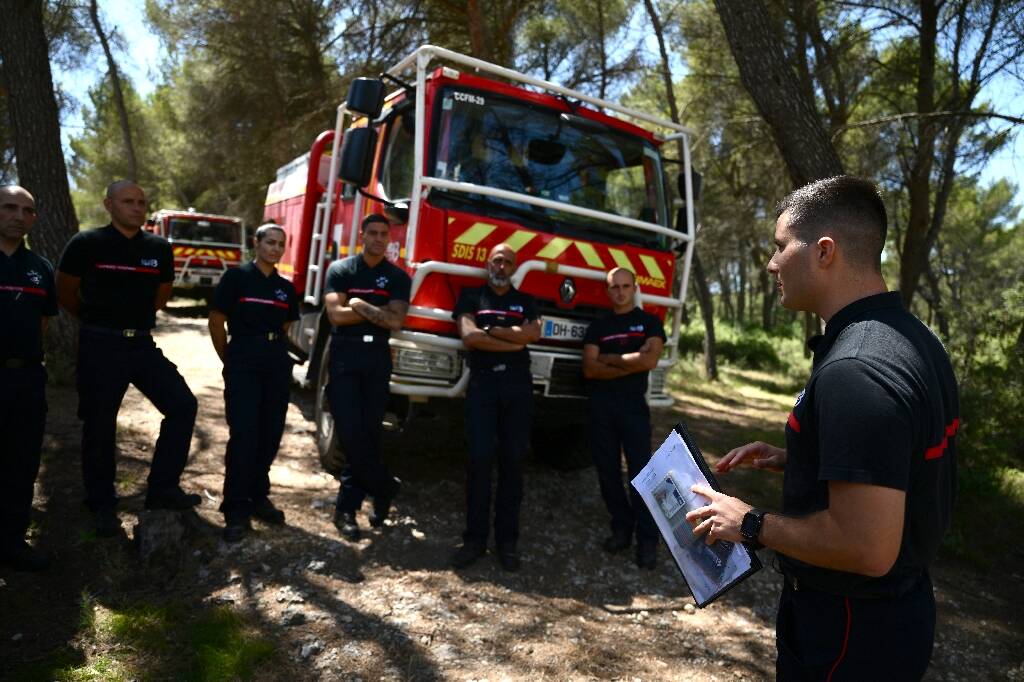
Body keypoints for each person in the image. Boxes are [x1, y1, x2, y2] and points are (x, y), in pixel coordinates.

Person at [684, 176, 959, 681]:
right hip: (892, 617)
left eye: (780, 246)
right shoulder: (911, 337)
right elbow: (902, 452)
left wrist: (749, 523)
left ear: (824, 251)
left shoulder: (856, 368)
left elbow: (866, 548)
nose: (770, 264)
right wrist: (806, 452)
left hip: (849, 632)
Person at [57, 181, 199, 537]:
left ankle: (163, 489)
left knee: (182, 405)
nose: (137, 207)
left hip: (141, 345)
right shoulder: (87, 244)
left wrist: (130, 320)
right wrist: (98, 322)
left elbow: (160, 296)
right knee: (100, 424)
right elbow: (65, 291)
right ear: (108, 204)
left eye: (141, 201)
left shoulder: (158, 248)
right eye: (128, 201)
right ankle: (102, 503)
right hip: (99, 345)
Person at [449, 243, 540, 572]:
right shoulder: (472, 297)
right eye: (497, 260)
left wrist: (494, 332)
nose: (502, 266)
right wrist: (513, 338)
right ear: (488, 263)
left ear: (514, 268)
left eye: (508, 262)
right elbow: (470, 337)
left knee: (513, 465)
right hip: (483, 385)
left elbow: (534, 333)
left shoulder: (526, 301)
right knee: (479, 461)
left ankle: (507, 544)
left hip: (518, 387)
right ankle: (474, 540)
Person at [208, 224, 299, 543]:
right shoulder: (236, 278)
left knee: (271, 433)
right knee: (245, 434)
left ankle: (258, 498)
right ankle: (235, 508)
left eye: (280, 244)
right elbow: (217, 321)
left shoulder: (285, 288)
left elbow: (285, 324)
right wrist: (229, 360)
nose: (275, 248)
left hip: (275, 360)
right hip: (243, 358)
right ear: (256, 243)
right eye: (269, 242)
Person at [323, 214, 410, 541]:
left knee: (370, 431)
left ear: (389, 238)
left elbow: (395, 321)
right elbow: (335, 315)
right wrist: (375, 311)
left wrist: (357, 303)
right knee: (349, 430)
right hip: (345, 355)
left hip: (377, 359)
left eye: (383, 234)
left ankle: (346, 509)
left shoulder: (397, 277)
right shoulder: (341, 270)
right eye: (372, 232)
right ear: (362, 235)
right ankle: (383, 485)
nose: (377, 238)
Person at [582, 267, 665, 569]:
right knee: (607, 473)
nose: (619, 291)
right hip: (600, 409)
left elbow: (651, 359)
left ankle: (647, 541)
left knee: (641, 476)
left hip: (633, 410)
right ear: (608, 291)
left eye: (625, 286)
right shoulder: (598, 326)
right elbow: (589, 369)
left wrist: (609, 358)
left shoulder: (649, 323)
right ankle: (621, 528)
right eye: (614, 287)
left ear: (634, 288)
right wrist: (632, 362)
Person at [0, 186, 58, 571]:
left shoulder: (41, 268)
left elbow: (41, 324)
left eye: (28, 210)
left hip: (26, 380)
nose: (19, 216)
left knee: (22, 463)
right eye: (9, 207)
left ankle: (12, 544)